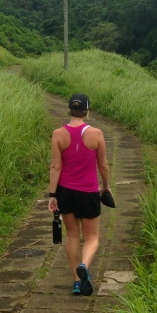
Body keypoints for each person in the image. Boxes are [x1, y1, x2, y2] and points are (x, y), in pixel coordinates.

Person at [47, 93, 113, 296]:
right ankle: (84, 265)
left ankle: (77, 282)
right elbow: (102, 164)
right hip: (88, 191)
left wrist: (52, 194)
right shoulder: (96, 134)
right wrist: (106, 186)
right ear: (87, 111)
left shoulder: (58, 134)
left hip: (65, 192)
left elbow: (55, 166)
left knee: (72, 235)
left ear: (69, 110)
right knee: (92, 237)